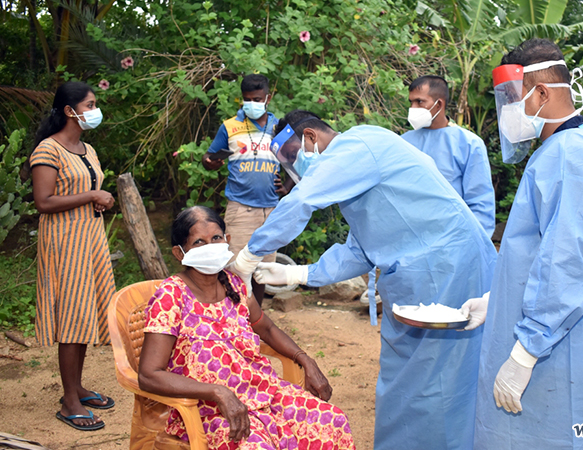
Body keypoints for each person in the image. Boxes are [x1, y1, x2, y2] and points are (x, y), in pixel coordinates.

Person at [230, 110, 498, 450]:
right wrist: (300, 273)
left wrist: (250, 252)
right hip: (420, 277)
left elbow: (301, 201)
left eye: (290, 157)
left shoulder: (360, 144)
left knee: (437, 380)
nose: (292, 170)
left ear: (310, 138)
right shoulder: (357, 171)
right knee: (404, 378)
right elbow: (361, 248)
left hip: (448, 270)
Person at [462, 39, 583, 449]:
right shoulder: (561, 150)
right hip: (553, 336)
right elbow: (541, 251)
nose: (508, 111)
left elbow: (567, 264)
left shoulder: (569, 156)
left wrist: (525, 354)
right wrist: (499, 299)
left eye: (512, 98)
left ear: (541, 93)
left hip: (559, 351)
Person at [138, 206, 354, 450]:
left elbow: (268, 329)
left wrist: (305, 360)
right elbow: (149, 374)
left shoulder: (235, 284)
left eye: (216, 238)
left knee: (331, 420)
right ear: (180, 252)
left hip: (262, 392)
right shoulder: (171, 295)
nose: (210, 246)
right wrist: (218, 392)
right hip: (209, 409)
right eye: (199, 241)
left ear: (227, 240)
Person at [30, 81, 117, 431]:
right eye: (90, 103)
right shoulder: (47, 150)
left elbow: (87, 191)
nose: (95, 109)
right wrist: (92, 196)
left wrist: (97, 199)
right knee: (71, 317)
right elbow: (43, 201)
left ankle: (77, 387)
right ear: (70, 110)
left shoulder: (87, 148)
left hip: (90, 238)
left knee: (85, 314)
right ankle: (69, 402)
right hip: (64, 242)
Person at [202, 74, 293, 305]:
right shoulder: (229, 126)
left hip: (270, 211)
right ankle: (234, 319)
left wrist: (288, 186)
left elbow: (295, 161)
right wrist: (210, 161)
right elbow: (208, 156)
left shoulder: (279, 127)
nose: (252, 103)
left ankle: (257, 319)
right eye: (247, 99)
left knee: (262, 269)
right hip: (240, 209)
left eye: (257, 98)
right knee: (235, 269)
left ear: (267, 98)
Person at [402, 75, 496, 236]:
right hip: (410, 237)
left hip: (452, 239)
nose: (413, 108)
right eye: (411, 102)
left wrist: (475, 245)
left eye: (420, 102)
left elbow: (480, 203)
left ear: (439, 104)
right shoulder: (403, 143)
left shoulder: (468, 144)